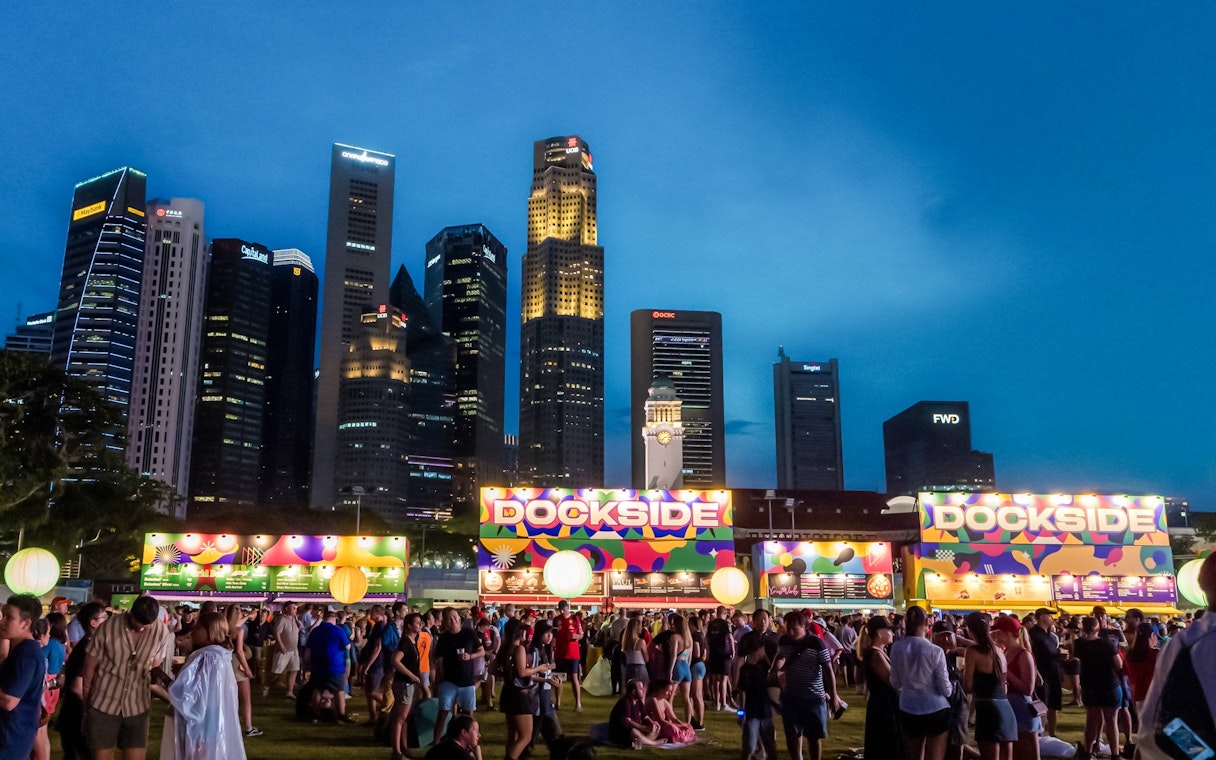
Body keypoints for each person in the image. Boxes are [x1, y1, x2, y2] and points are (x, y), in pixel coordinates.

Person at [1136, 552, 1216, 759]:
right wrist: (1203, 757)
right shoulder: (1189, 645)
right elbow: (1169, 724)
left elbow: (1159, 721)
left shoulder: (1184, 643)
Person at [82, 595, 173, 760]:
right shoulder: (108, 628)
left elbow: (155, 664)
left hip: (137, 705)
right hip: (104, 703)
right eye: (138, 624)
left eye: (147, 625)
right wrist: (87, 702)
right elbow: (89, 667)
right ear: (131, 613)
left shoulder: (160, 631)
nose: (141, 629)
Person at [166, 611, 246, 760]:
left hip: (201, 724)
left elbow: (188, 696)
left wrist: (163, 676)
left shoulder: (206, 656)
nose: (193, 630)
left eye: (198, 627)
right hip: (214, 720)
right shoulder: (221, 656)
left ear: (211, 631)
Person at [774, 610, 841, 760]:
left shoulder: (816, 643)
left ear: (804, 626)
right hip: (791, 696)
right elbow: (782, 657)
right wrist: (776, 670)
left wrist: (834, 695)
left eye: (794, 628)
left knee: (813, 737)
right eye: (788, 627)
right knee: (792, 735)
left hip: (813, 698)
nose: (791, 631)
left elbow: (828, 670)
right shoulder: (784, 640)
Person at [891, 605, 952, 760]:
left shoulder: (896, 647)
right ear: (927, 622)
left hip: (908, 707)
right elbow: (946, 689)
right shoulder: (935, 651)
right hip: (936, 708)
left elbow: (895, 683)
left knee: (914, 755)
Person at [0, 594, 46, 760]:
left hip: (10, 739)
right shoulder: (20, 650)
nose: (2, 621)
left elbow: (9, 701)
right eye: (3, 615)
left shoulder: (27, 655)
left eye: (9, 617)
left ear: (26, 623)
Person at [58, 602, 106, 760]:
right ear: (93, 623)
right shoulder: (88, 648)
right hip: (76, 717)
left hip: (75, 716)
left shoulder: (90, 645)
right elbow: (77, 686)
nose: (108, 620)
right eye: (104, 617)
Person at [965, 614, 1016, 760]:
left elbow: (967, 686)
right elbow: (1004, 684)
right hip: (1005, 707)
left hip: (987, 708)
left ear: (970, 629)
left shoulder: (973, 652)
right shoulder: (999, 650)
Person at [990, 615, 1040, 760]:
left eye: (997, 632)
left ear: (1006, 633)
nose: (995, 635)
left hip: (1022, 707)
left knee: (1028, 752)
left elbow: (1028, 688)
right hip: (1009, 706)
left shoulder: (1023, 654)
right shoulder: (1005, 652)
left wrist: (1006, 671)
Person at [433, 607, 484, 748]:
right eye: (449, 618)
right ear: (445, 623)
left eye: (455, 617)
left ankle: (470, 744)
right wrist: (439, 680)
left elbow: (481, 651)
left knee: (468, 714)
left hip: (467, 681)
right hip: (449, 681)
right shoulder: (444, 638)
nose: (453, 621)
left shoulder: (469, 633)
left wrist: (470, 656)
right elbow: (439, 660)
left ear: (460, 619)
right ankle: (437, 745)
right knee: (443, 712)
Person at [1073, 616, 1122, 760]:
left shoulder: (1079, 644)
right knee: (1111, 720)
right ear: (1097, 627)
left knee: (1091, 720)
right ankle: (1115, 754)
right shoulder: (1107, 644)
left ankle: (1088, 752)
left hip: (1089, 684)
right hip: (1108, 684)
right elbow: (1119, 664)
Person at [501, 624, 547, 760]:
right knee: (525, 736)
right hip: (519, 694)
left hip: (507, 692)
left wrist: (509, 676)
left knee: (512, 734)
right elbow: (522, 672)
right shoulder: (519, 648)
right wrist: (539, 668)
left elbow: (492, 669)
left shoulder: (504, 648)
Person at [862, 615, 903, 759]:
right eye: (889, 630)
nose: (892, 633)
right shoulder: (875, 654)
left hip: (885, 704)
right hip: (883, 707)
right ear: (880, 633)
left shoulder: (880, 652)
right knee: (885, 745)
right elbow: (892, 680)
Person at [306, 608, 354, 723]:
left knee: (318, 689)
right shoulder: (338, 630)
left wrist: (306, 663)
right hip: (335, 666)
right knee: (339, 690)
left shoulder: (315, 631)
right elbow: (348, 646)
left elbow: (308, 650)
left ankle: (315, 714)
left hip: (318, 665)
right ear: (333, 619)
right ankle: (341, 714)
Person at [389, 613, 425, 760]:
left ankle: (403, 748)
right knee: (400, 717)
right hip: (404, 683)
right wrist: (411, 675)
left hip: (408, 682)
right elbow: (396, 660)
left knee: (404, 718)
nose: (420, 625)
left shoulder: (412, 641)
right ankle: (397, 751)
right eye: (417, 623)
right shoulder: (405, 642)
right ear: (409, 625)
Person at [736, 633, 776, 760]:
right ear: (757, 650)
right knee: (749, 746)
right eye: (762, 649)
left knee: (770, 745)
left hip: (765, 711)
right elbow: (742, 693)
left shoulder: (763, 667)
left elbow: (773, 675)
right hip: (752, 712)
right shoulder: (746, 670)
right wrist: (741, 714)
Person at [224, 605, 261, 737]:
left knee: (229, 697)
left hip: (225, 662)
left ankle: (229, 725)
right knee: (245, 698)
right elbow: (239, 651)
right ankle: (249, 727)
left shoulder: (223, 628)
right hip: (237, 663)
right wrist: (247, 669)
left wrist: (247, 617)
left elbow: (236, 623)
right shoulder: (238, 631)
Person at [1027, 608, 1061, 738]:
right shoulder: (1034, 634)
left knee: (1053, 704)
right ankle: (1040, 733)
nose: (1052, 618)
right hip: (1042, 674)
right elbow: (1031, 654)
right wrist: (1036, 673)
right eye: (1049, 615)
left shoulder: (1050, 636)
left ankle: (1052, 734)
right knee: (1042, 705)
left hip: (1053, 673)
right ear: (1041, 617)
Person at [607, 678, 663, 749]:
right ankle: (653, 743)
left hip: (637, 731)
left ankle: (642, 741)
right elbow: (627, 721)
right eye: (640, 689)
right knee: (634, 732)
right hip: (622, 732)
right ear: (633, 691)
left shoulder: (638, 702)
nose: (643, 691)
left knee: (657, 729)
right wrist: (644, 728)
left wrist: (652, 723)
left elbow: (645, 716)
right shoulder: (626, 702)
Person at [552, 601, 584, 712]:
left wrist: (577, 636)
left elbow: (581, 634)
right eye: (560, 609)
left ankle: (578, 702)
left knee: (574, 677)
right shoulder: (557, 620)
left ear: (567, 608)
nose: (562, 611)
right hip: (560, 653)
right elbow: (553, 634)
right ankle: (558, 702)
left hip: (573, 653)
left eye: (563, 609)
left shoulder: (575, 619)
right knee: (558, 677)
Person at [268, 601, 301, 699]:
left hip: (294, 650)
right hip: (284, 650)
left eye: (295, 607)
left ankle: (289, 691)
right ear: (286, 608)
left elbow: (295, 632)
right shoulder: (282, 619)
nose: (295, 609)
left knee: (294, 669)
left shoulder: (295, 619)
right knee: (276, 671)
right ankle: (267, 685)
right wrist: (281, 645)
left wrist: (299, 625)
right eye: (293, 607)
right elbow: (277, 633)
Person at [1123, 622, 1158, 714]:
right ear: (1152, 635)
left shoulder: (1129, 655)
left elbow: (1128, 680)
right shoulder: (1156, 654)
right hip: (1157, 697)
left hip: (1138, 697)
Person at [621, 617, 649, 687]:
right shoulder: (640, 642)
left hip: (629, 668)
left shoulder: (625, 642)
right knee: (642, 691)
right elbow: (646, 659)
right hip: (640, 668)